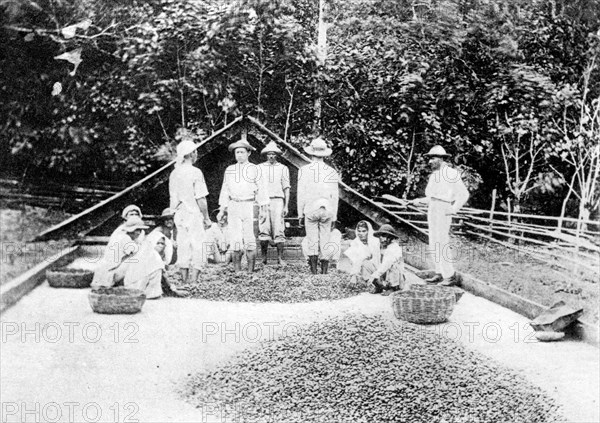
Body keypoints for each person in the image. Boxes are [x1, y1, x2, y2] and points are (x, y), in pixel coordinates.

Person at [411, 145, 469, 286]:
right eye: (430, 158)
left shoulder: (451, 174)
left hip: (443, 209)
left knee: (442, 242)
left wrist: (453, 209)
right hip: (433, 208)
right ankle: (439, 272)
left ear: (442, 159)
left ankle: (449, 276)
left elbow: (463, 194)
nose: (430, 161)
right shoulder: (434, 176)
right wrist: (419, 201)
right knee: (433, 241)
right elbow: (433, 198)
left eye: (433, 158)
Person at [217, 138, 269, 272]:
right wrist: (222, 210)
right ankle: (237, 271)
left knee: (250, 238)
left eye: (242, 152)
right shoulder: (230, 170)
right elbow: (225, 190)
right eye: (237, 152)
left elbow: (261, 190)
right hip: (234, 205)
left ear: (248, 153)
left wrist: (263, 209)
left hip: (249, 205)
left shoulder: (255, 169)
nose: (239, 155)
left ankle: (250, 270)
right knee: (235, 238)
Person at [169, 137, 212, 284]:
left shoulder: (174, 173)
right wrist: (206, 218)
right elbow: (201, 198)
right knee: (198, 245)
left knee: (183, 245)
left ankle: (184, 279)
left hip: (179, 214)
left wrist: (172, 215)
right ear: (192, 153)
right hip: (193, 213)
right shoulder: (195, 172)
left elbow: (173, 199)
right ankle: (193, 281)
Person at [92, 216, 163, 299]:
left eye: (140, 230)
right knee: (145, 259)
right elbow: (137, 251)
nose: (139, 233)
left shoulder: (120, 236)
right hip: (110, 273)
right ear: (131, 230)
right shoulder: (125, 238)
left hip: (105, 272)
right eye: (137, 230)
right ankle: (140, 288)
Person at [297, 137, 339, 274]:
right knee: (325, 238)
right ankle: (325, 270)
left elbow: (301, 193)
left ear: (311, 153)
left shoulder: (304, 170)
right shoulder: (331, 171)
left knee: (312, 239)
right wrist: (334, 216)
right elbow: (335, 196)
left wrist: (299, 213)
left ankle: (314, 271)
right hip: (327, 208)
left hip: (311, 208)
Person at [257, 141, 291, 265]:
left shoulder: (283, 168)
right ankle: (264, 258)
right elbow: (256, 186)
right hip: (264, 201)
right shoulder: (259, 167)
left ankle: (280, 258)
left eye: (273, 154)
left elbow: (286, 188)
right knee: (264, 228)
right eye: (269, 154)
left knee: (279, 229)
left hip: (278, 200)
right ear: (266, 155)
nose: (271, 156)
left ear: (277, 155)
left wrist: (286, 205)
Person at [365, 224, 406, 295]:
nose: (382, 239)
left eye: (385, 236)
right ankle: (379, 287)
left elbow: (386, 264)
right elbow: (375, 260)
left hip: (394, 277)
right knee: (365, 264)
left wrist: (374, 275)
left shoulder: (394, 248)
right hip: (382, 274)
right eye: (381, 236)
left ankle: (393, 288)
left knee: (394, 265)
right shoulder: (378, 246)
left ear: (391, 238)